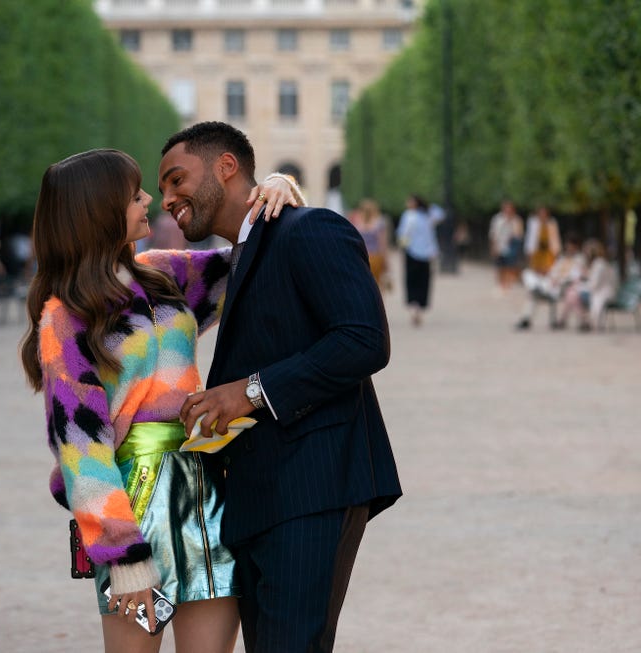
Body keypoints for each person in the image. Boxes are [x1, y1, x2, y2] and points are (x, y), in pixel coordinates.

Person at [19, 149, 302, 653]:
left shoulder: (162, 274)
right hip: (133, 503)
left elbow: (257, 257)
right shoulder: (65, 319)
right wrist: (122, 554)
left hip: (206, 491)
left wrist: (279, 187)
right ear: (98, 210)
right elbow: (81, 448)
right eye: (134, 195)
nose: (150, 199)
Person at [160, 121, 401, 653]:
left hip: (312, 484)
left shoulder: (310, 228)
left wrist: (244, 392)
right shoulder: (235, 258)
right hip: (261, 496)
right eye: (159, 191)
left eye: (176, 180)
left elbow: (364, 340)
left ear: (226, 167)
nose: (168, 198)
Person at [515, 232, 584, 330]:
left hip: (563, 286)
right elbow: (554, 270)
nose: (568, 247)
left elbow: (574, 276)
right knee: (529, 277)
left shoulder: (579, 259)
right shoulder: (562, 257)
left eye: (571, 245)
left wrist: (559, 280)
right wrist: (548, 274)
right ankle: (526, 318)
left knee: (534, 293)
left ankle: (527, 317)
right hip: (551, 282)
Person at [396, 195, 444, 327]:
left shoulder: (409, 215)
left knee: (411, 281)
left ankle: (413, 306)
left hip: (411, 252)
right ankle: (419, 308)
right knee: (424, 281)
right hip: (426, 254)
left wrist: (401, 247)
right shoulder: (428, 215)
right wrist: (427, 206)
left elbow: (403, 234)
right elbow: (440, 213)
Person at [556, 238, 615, 332]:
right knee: (571, 293)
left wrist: (580, 285)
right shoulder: (596, 263)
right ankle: (581, 320)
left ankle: (579, 320)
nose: (585, 254)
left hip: (600, 293)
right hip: (596, 292)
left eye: (586, 251)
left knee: (572, 293)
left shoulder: (599, 264)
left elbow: (594, 285)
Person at [349, 198, 391, 293]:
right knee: (378, 287)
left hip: (361, 258)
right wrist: (386, 261)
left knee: (362, 286)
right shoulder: (379, 224)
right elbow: (382, 244)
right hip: (375, 257)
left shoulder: (356, 224)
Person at [488, 200, 525, 292]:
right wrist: (493, 247)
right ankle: (500, 284)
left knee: (510, 266)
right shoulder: (497, 219)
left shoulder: (517, 220)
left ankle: (508, 285)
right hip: (500, 246)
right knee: (500, 267)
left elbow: (519, 234)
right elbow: (493, 234)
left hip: (511, 248)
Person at [523, 205, 561, 276]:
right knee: (535, 268)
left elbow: (555, 237)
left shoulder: (552, 223)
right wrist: (528, 250)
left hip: (548, 250)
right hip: (536, 249)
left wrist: (557, 249)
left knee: (548, 268)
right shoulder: (533, 223)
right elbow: (530, 237)